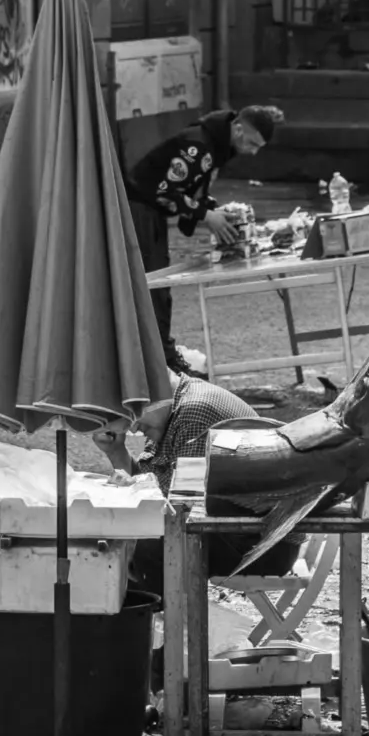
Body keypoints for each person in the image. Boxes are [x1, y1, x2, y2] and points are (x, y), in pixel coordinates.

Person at [91, 375, 307, 598]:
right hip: (244, 534)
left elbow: (180, 513)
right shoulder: (171, 410)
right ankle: (148, 619)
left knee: (146, 548)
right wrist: (116, 451)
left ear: (153, 395)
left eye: (134, 413)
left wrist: (129, 539)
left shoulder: (192, 417)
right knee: (124, 542)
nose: (132, 426)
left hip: (262, 549)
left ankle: (164, 624)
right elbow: (157, 493)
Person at [126, 106, 283, 371]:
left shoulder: (215, 144)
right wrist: (205, 216)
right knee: (153, 284)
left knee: (159, 285)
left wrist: (210, 210)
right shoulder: (198, 145)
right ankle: (158, 359)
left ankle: (161, 353)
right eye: (251, 142)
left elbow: (190, 188)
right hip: (139, 208)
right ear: (238, 128)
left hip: (150, 209)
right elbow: (164, 190)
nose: (253, 151)